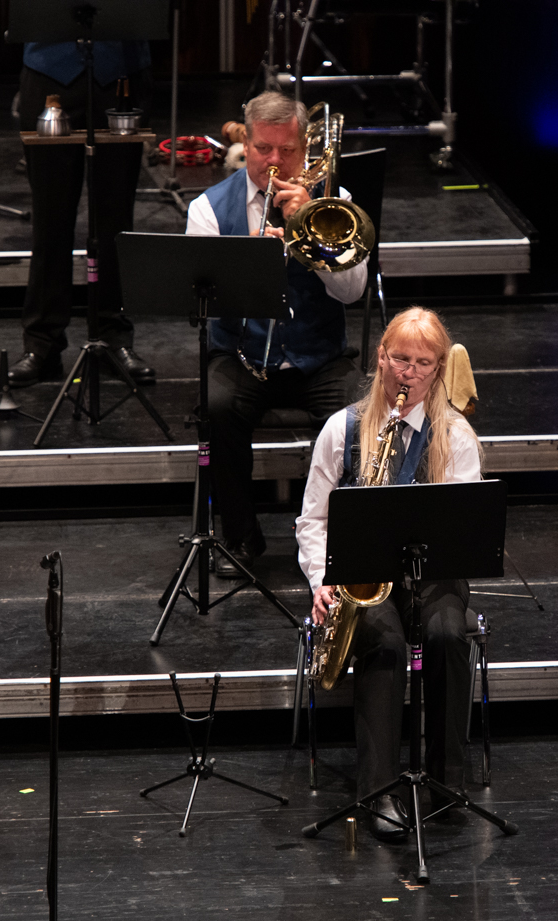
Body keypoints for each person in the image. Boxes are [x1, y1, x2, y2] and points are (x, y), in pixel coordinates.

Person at [295, 306, 479, 843]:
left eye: (423, 363)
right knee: (386, 644)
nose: (409, 374)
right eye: (401, 359)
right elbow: (313, 520)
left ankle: (447, 781)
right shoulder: (343, 428)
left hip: (434, 573)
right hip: (363, 575)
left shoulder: (455, 434)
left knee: (448, 634)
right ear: (381, 358)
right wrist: (322, 580)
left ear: (439, 368)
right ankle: (378, 791)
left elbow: (465, 529)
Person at [188, 90, 368, 576]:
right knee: (217, 407)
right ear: (245, 144)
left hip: (320, 357)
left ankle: (345, 540)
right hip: (241, 356)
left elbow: (352, 292)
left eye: (286, 150)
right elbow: (200, 303)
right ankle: (240, 540)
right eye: (263, 149)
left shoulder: (336, 202)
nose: (273, 161)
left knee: (360, 417)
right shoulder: (208, 209)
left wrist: (311, 234)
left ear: (305, 148)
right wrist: (246, 265)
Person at [7, 41, 156, 388]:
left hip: (121, 68)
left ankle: (114, 337)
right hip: (49, 68)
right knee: (50, 219)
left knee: (117, 219)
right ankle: (42, 344)